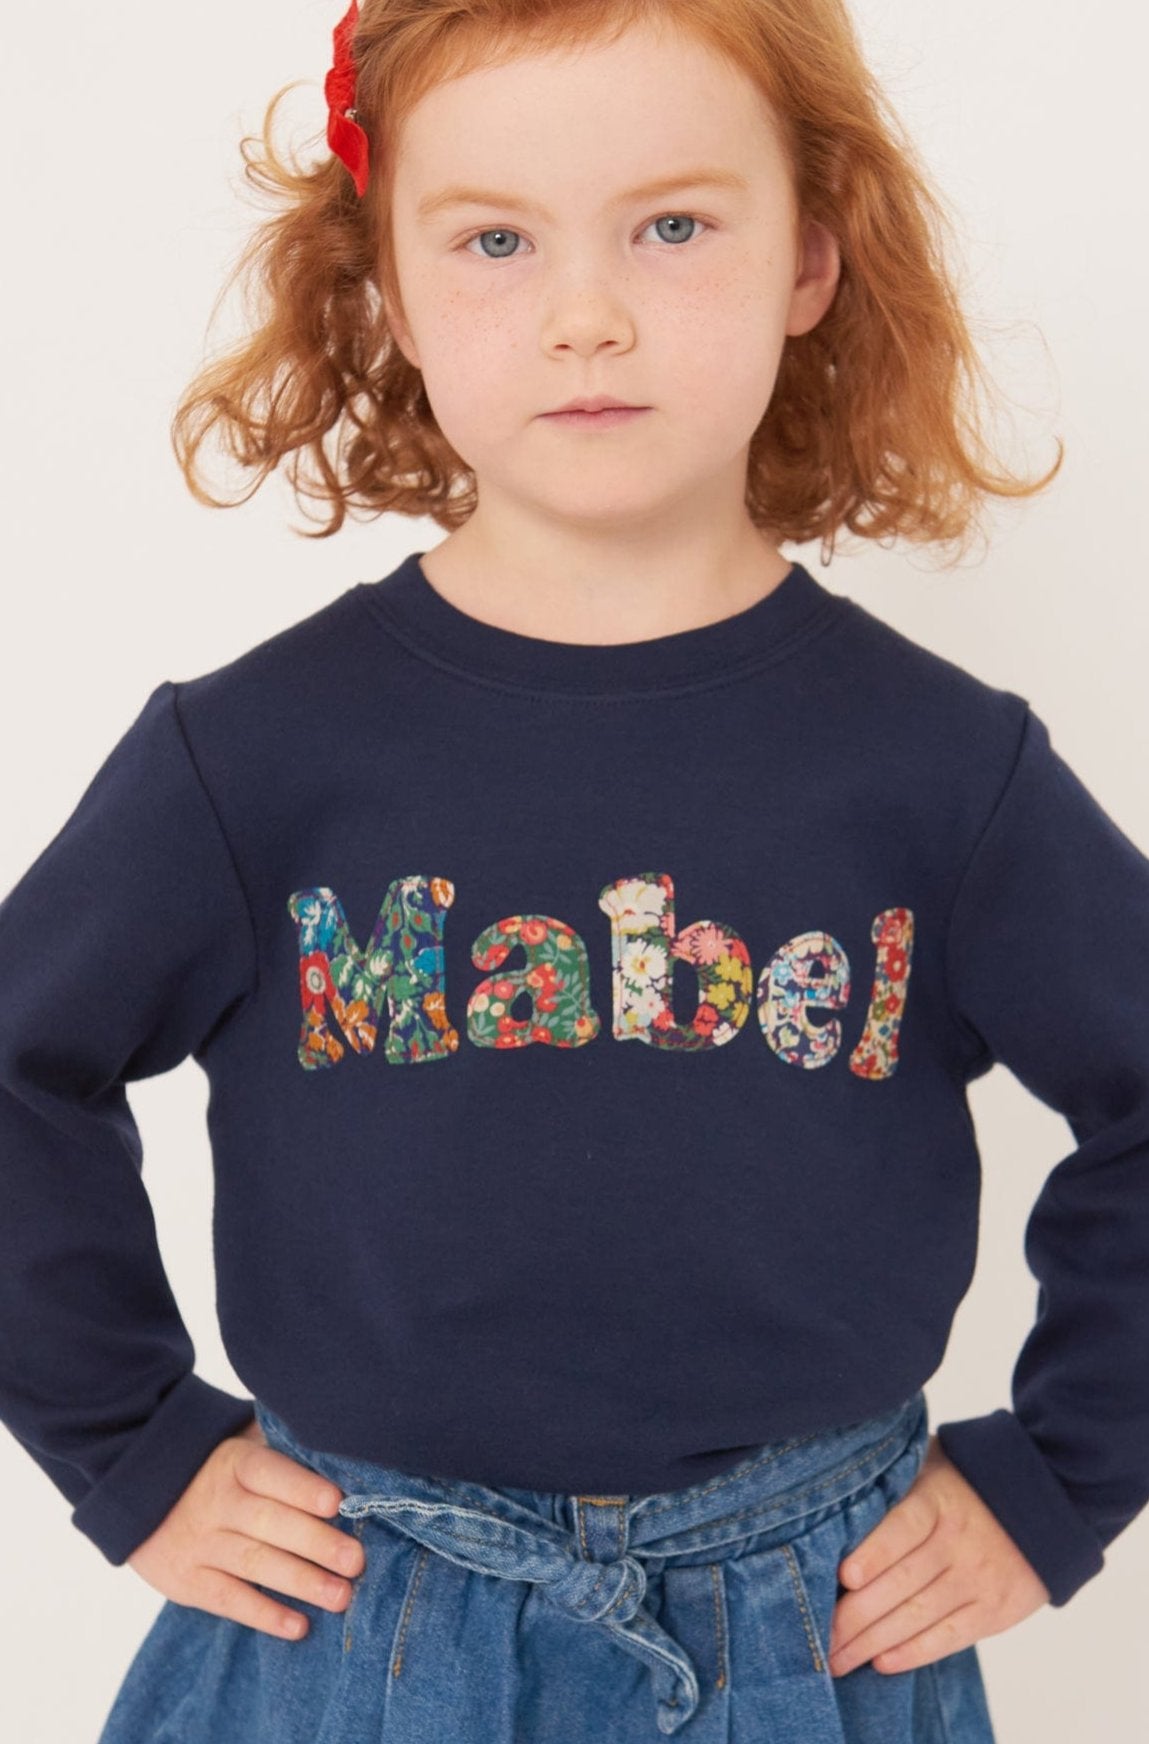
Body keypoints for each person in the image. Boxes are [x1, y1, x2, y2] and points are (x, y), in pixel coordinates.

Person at [0, 1, 1144, 1740]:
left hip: (813, 1636)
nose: (585, 311)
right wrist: (132, 1450)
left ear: (809, 263)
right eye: (494, 240)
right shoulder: (252, 758)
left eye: (672, 226)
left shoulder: (936, 770)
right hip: (344, 1623)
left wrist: (1059, 1479)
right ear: (385, 289)